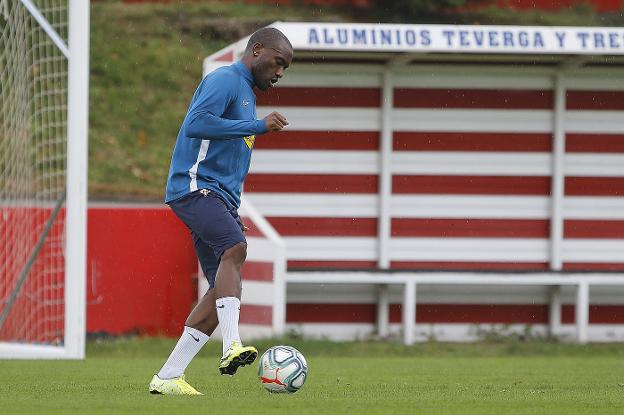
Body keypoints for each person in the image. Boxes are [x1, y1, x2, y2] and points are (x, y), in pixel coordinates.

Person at [149, 27, 293, 395]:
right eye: (278, 63)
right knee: (236, 248)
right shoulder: (226, 79)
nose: (279, 73)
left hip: (218, 197)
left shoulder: (245, 93)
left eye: (285, 69)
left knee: (220, 291)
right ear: (257, 50)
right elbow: (196, 124)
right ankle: (231, 346)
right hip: (195, 187)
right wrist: (258, 126)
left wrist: (231, 204)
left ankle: (167, 377)